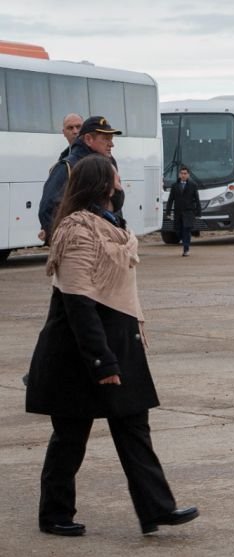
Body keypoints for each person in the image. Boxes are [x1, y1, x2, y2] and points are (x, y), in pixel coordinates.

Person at [25, 154, 198, 536]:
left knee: (134, 426)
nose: (121, 185)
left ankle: (157, 509)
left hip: (120, 342)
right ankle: (54, 514)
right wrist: (101, 361)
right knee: (70, 436)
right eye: (116, 178)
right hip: (78, 353)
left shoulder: (112, 225)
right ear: (102, 184)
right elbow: (77, 301)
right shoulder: (76, 231)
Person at [39, 115, 120, 240]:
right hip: (80, 244)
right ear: (88, 139)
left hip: (106, 241)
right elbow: (47, 209)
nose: (111, 144)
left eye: (111, 138)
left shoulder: (109, 164)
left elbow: (114, 207)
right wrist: (65, 241)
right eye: (106, 139)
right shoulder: (66, 167)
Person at [164, 165, 202, 257]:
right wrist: (168, 212)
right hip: (178, 212)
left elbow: (197, 199)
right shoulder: (174, 186)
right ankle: (184, 240)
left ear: (188, 175)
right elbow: (170, 200)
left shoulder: (193, 185)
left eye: (185, 173)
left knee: (186, 230)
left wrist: (198, 212)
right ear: (179, 175)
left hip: (189, 212)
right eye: (181, 173)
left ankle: (186, 249)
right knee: (178, 231)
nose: (183, 175)